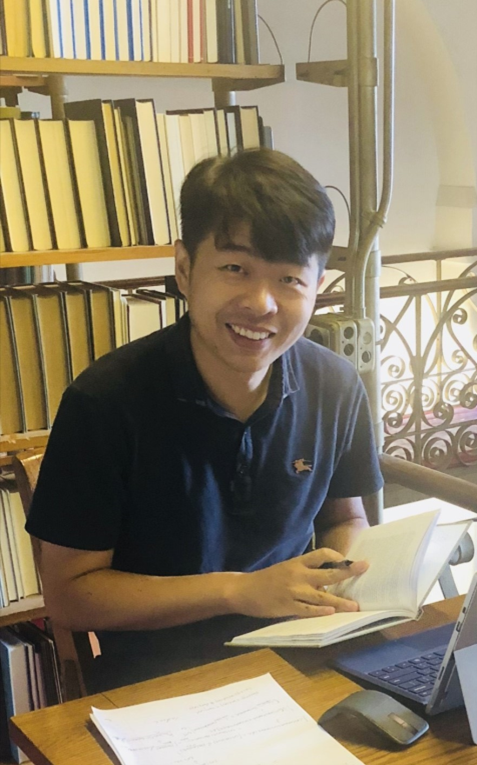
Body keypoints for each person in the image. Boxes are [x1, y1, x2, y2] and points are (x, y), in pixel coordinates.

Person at [26, 148, 383, 691]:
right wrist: (240, 591)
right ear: (185, 269)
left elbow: (347, 518)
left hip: (303, 655)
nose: (261, 303)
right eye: (235, 269)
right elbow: (71, 595)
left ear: (317, 287)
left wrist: (346, 575)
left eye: (289, 279)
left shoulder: (335, 384)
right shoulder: (104, 402)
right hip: (157, 680)